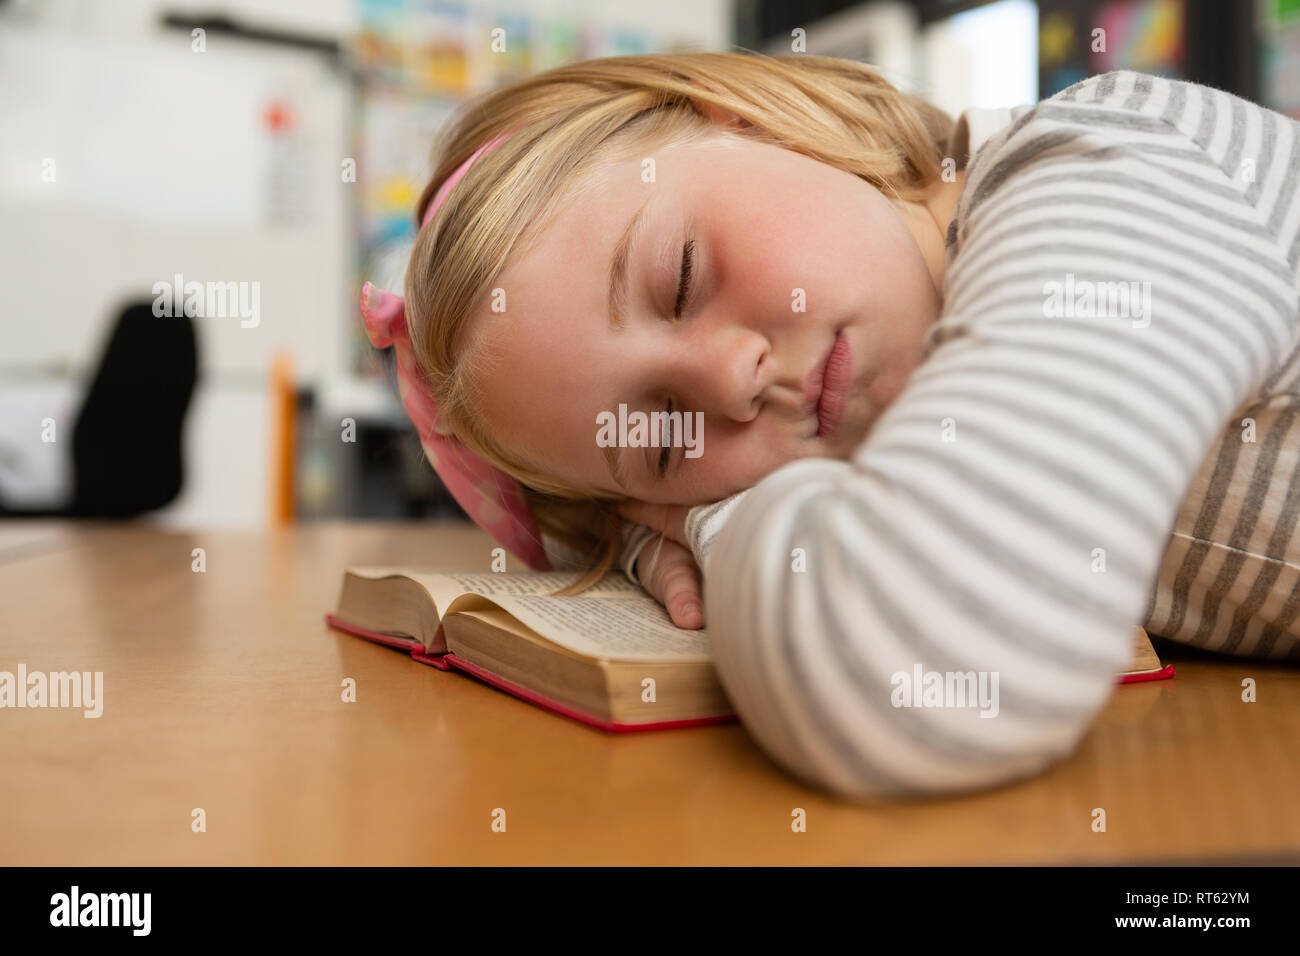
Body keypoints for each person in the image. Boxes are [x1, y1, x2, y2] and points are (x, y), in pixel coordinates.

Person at [362, 52, 1300, 799]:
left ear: (754, 124)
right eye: (659, 439)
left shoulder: (1108, 169)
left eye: (682, 277)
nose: (730, 380)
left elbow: (922, 666)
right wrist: (648, 536)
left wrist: (703, 520)